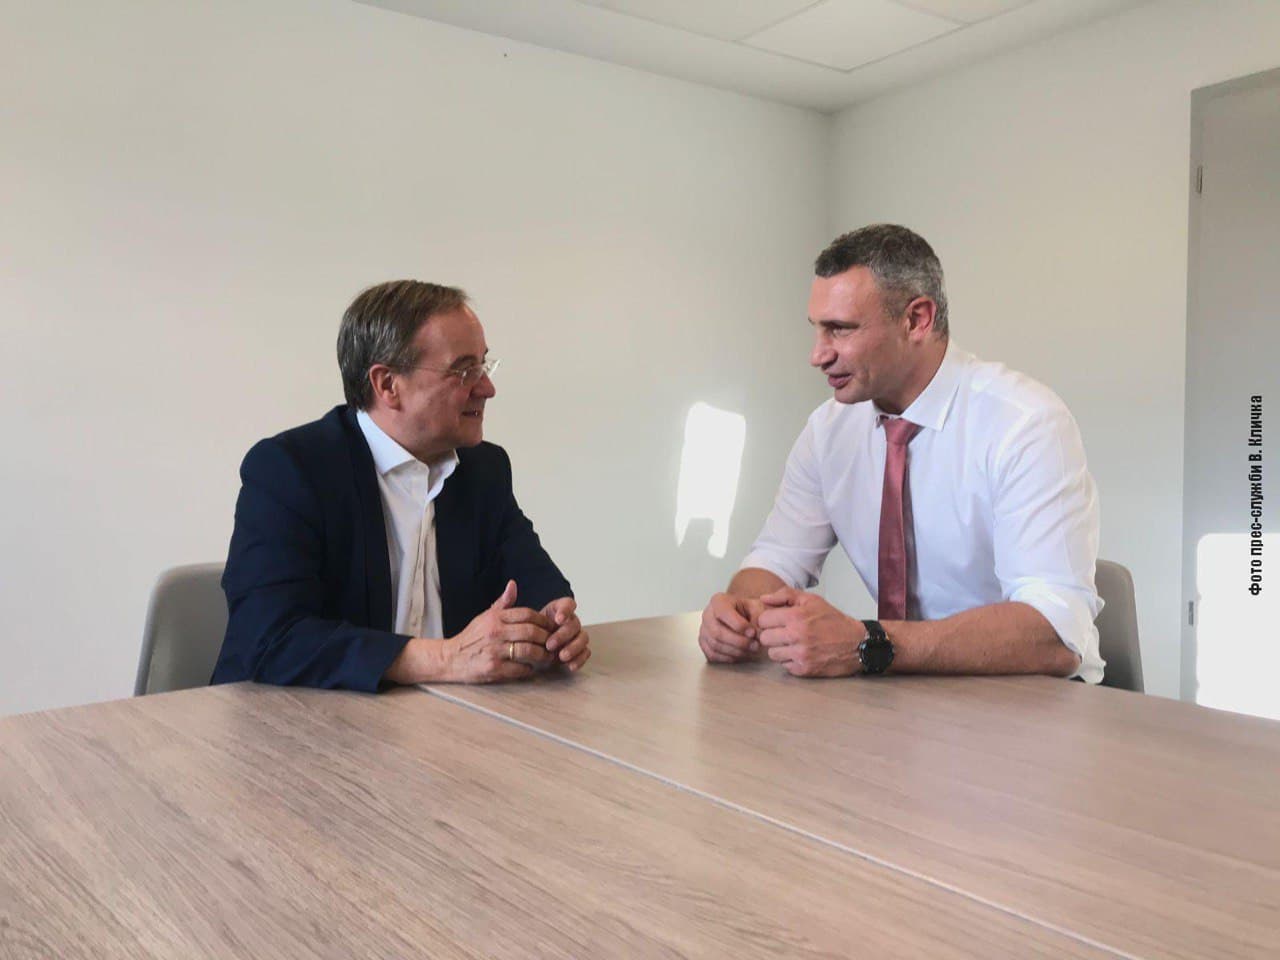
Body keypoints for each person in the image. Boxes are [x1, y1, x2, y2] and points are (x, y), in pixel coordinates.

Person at [698, 224, 1103, 682]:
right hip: (900, 698)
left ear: (917, 320)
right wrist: (739, 614)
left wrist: (870, 643)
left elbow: (1057, 634)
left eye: (840, 329)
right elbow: (775, 559)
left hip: (1032, 702)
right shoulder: (828, 430)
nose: (818, 355)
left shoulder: (1025, 424)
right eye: (818, 329)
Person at [213, 280, 589, 691]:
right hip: (292, 717)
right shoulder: (290, 470)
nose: (487, 388)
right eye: (464, 370)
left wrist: (554, 621)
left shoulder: (484, 469)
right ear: (388, 385)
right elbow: (271, 639)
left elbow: (533, 578)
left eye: (484, 365)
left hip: (438, 712)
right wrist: (446, 658)